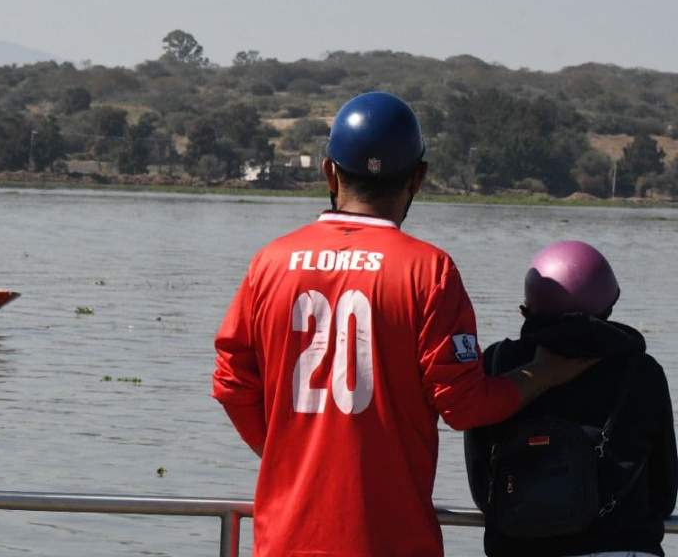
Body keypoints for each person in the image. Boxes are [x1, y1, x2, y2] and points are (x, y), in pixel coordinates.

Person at [211, 91, 598, 557]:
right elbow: (465, 406)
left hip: (286, 540)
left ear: (328, 171)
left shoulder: (269, 264)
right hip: (392, 540)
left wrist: (287, 459)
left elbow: (232, 384)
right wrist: (547, 371)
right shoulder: (428, 272)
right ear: (418, 177)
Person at [464, 240, 677, 557]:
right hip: (624, 547)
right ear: (607, 308)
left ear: (528, 310)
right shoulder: (642, 371)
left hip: (516, 547)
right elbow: (663, 494)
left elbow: (483, 487)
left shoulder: (497, 364)